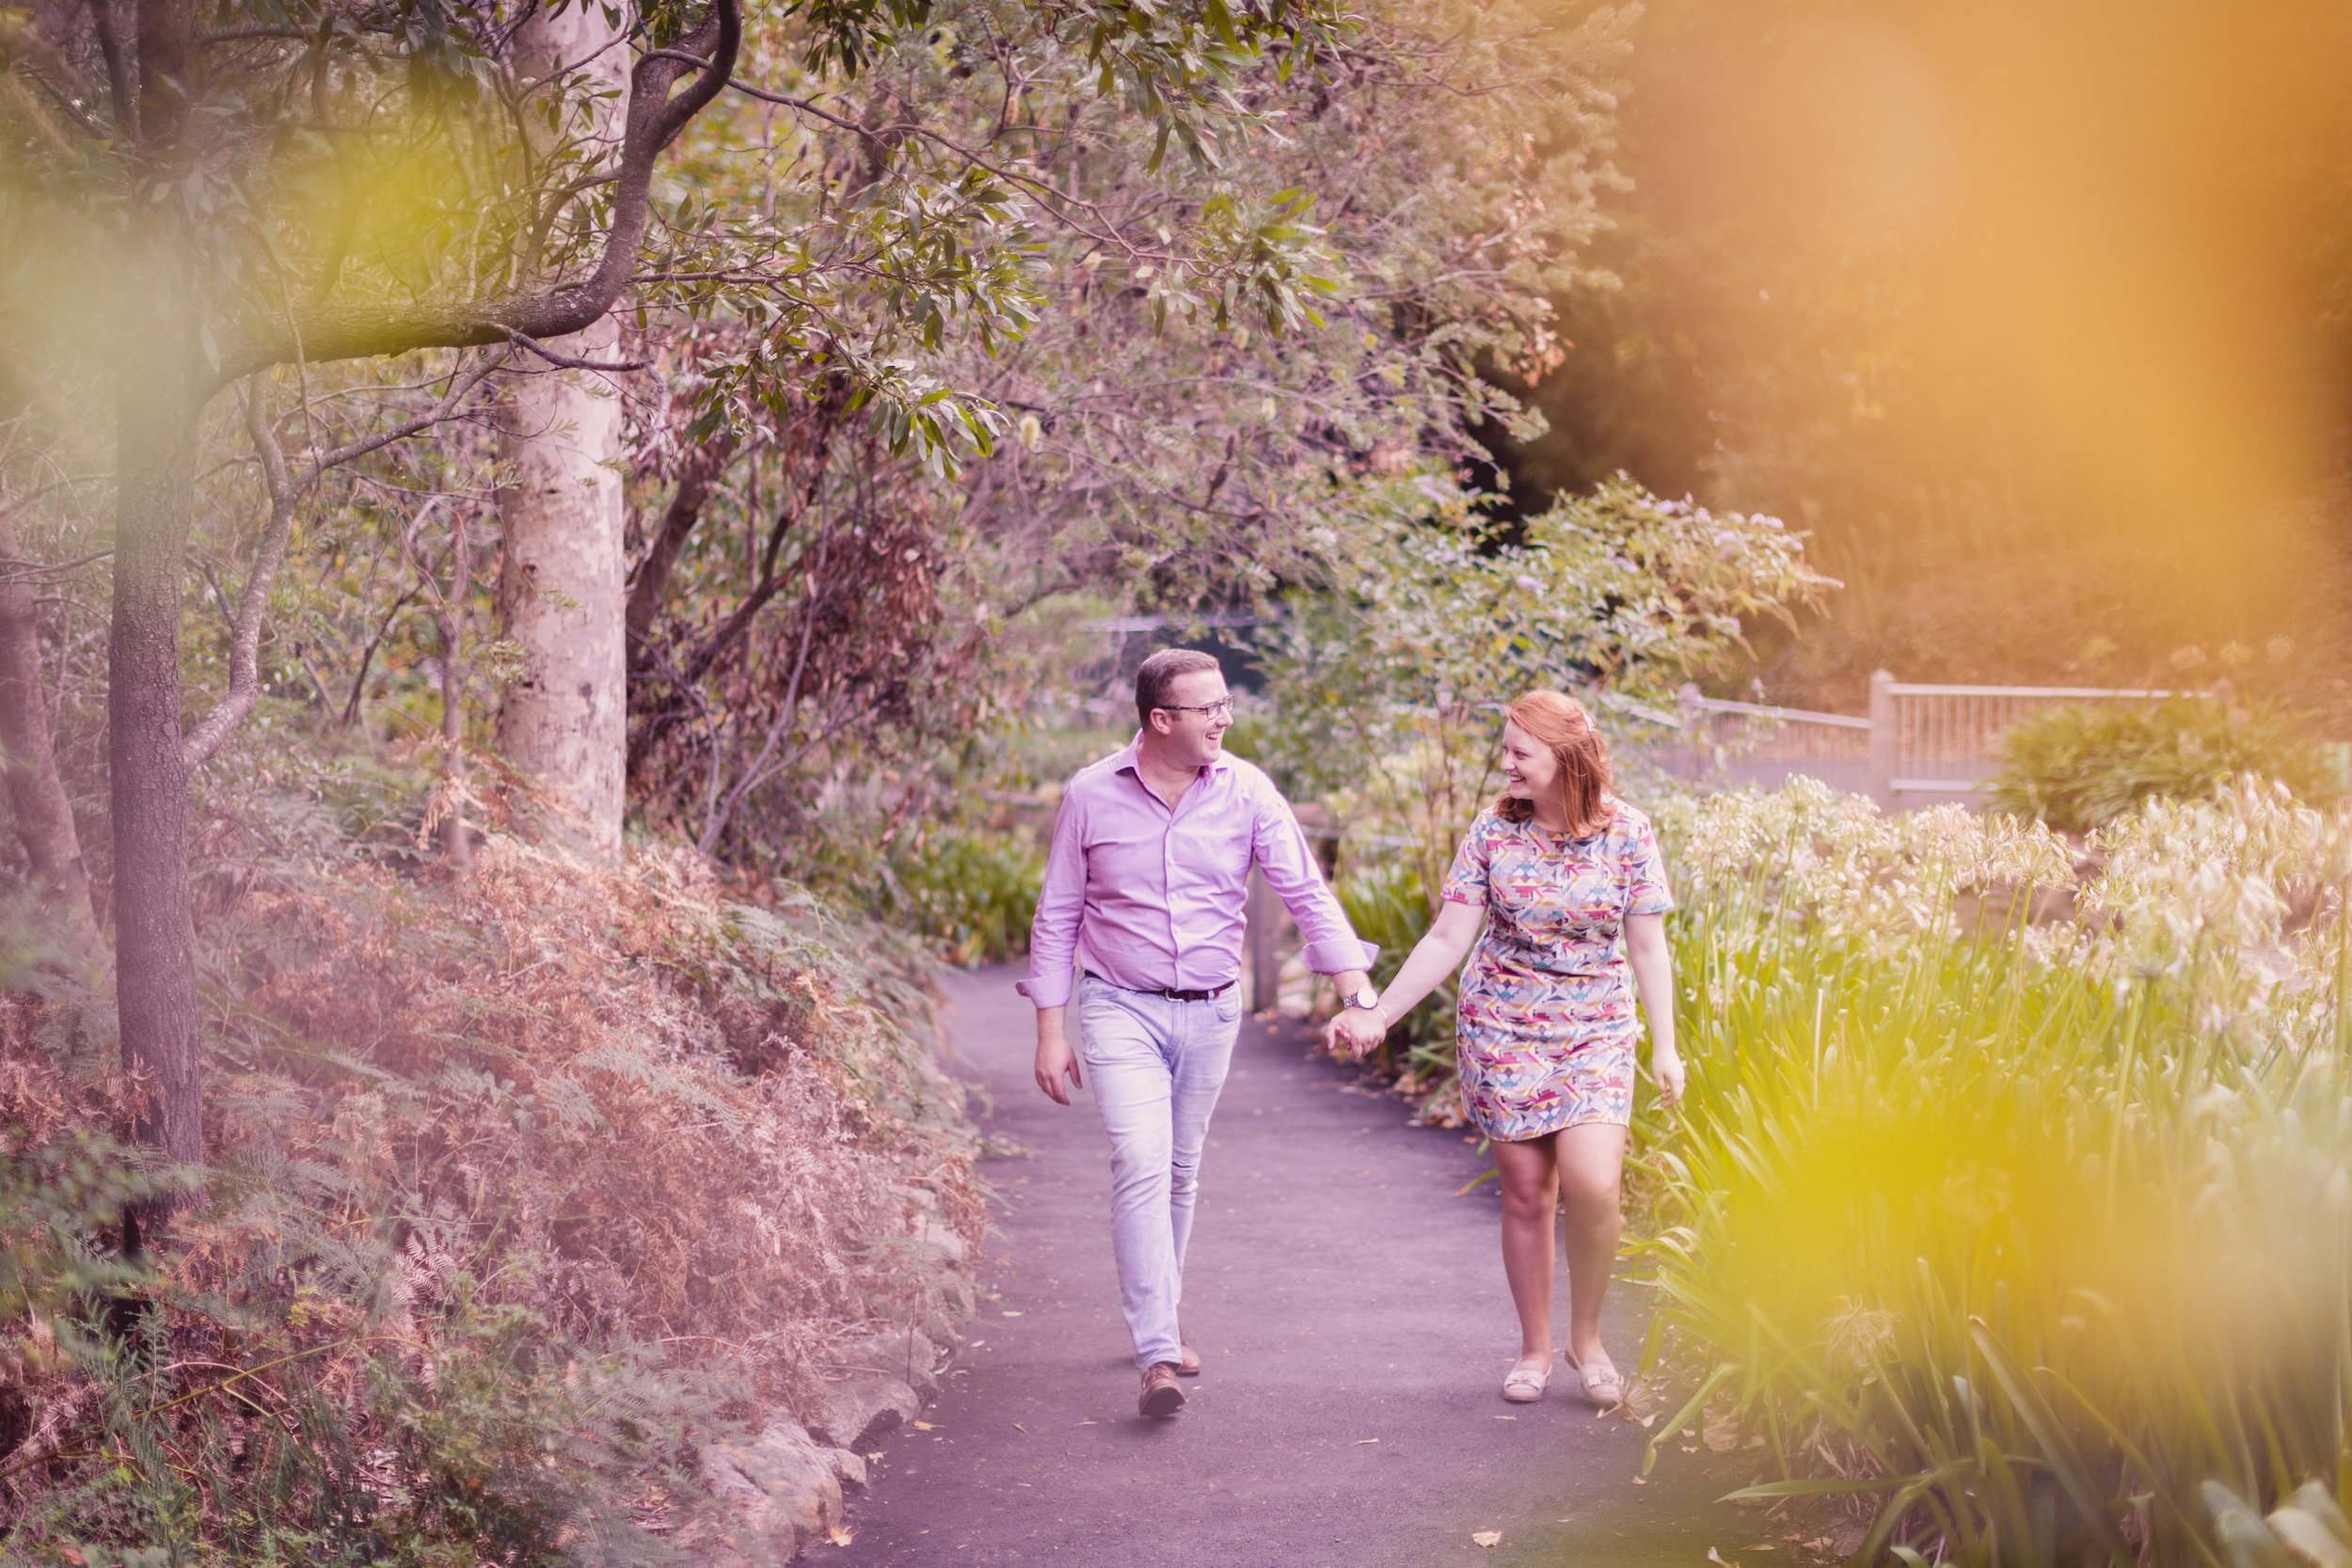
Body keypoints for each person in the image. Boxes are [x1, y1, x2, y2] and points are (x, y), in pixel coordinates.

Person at [1023, 649, 1379, 1418]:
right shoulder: (1090, 794)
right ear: (1161, 719)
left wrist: (1357, 992)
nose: (1225, 717)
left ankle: (1164, 1313)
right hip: (1120, 1006)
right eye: (1209, 707)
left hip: (1213, 1011)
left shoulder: (1248, 790)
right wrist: (1051, 1030)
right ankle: (1157, 1351)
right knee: (1141, 1161)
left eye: (1225, 704)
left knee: (1181, 1170)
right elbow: (1057, 916)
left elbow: (1306, 892)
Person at [1329, 690, 1683, 1406]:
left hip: (1595, 1026)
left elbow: (1648, 947)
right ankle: (1535, 1348)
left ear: (1567, 756)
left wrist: (1666, 1047)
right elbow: (1447, 938)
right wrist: (1379, 1013)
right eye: (1507, 751)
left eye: (1521, 752)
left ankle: (1588, 1338)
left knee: (1595, 1185)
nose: (1508, 765)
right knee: (1526, 1195)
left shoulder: (1629, 832)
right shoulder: (1493, 831)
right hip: (1504, 1025)